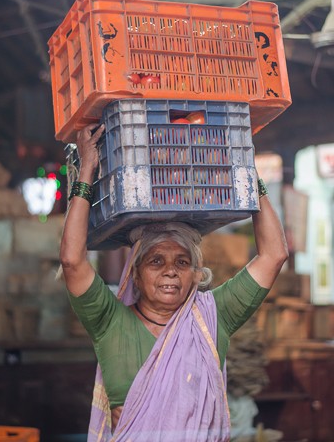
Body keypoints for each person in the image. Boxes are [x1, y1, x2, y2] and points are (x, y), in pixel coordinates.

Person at [60, 123, 288, 442]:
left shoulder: (213, 318)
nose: (170, 271)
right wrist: (87, 169)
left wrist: (249, 171)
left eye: (182, 262)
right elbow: (72, 261)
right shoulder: (110, 322)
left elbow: (274, 255)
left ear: (196, 274)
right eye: (156, 261)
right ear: (136, 275)